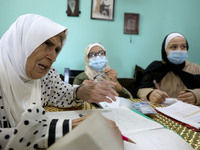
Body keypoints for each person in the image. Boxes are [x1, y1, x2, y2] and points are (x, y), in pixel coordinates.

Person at [0, 14, 123, 149]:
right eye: (47, 43)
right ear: (22, 41)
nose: (53, 57)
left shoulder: (45, 77)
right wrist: (66, 129)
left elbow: (63, 92)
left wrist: (81, 91)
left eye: (57, 50)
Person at [134, 32, 200, 106]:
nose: (179, 51)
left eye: (183, 47)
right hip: (161, 114)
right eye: (174, 47)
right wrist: (150, 93)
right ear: (165, 50)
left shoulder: (196, 68)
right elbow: (139, 89)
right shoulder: (156, 67)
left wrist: (196, 96)